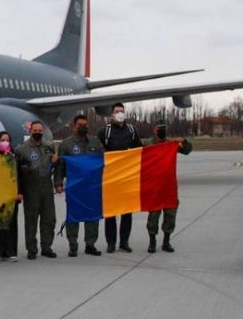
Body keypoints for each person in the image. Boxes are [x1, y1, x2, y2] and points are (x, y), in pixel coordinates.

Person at [54, 114, 104, 257]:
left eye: (85, 125)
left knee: (93, 217)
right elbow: (60, 166)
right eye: (80, 125)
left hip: (92, 188)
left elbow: (104, 161)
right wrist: (58, 183)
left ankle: (90, 244)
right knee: (73, 217)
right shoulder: (66, 144)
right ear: (73, 126)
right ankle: (73, 246)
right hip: (74, 188)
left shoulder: (95, 142)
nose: (83, 127)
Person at [97, 102, 143, 253]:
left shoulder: (132, 130)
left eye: (122, 111)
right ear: (111, 115)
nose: (120, 114)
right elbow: (98, 154)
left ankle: (124, 241)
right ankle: (111, 242)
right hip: (111, 177)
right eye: (117, 111)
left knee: (126, 211)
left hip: (128, 177)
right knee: (111, 211)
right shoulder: (105, 132)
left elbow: (139, 150)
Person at [145, 119, 193, 253]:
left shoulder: (170, 144)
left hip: (169, 185)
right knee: (153, 215)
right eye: (160, 128)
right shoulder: (148, 144)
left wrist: (183, 141)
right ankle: (152, 242)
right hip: (154, 185)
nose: (162, 130)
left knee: (170, 214)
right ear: (154, 129)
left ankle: (166, 241)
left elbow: (188, 150)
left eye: (164, 128)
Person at [14, 121, 58, 260]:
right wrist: (19, 190)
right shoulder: (22, 149)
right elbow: (17, 173)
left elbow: (57, 165)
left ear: (43, 131)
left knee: (49, 218)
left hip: (46, 184)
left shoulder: (49, 146)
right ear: (30, 131)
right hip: (31, 186)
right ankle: (31, 249)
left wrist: (57, 180)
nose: (37, 132)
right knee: (31, 219)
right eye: (35, 130)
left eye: (40, 130)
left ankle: (46, 247)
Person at [0, 131, 20, 263]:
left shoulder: (14, 156)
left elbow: (20, 175)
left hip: (12, 194)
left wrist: (20, 192)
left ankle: (10, 251)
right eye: (2, 140)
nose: (5, 142)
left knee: (11, 223)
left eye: (7, 140)